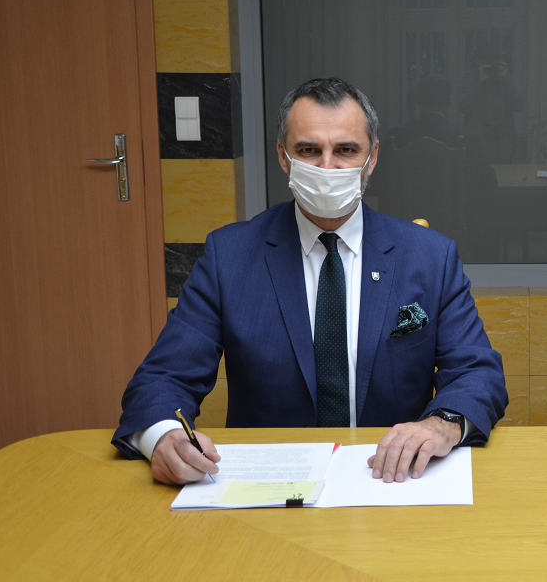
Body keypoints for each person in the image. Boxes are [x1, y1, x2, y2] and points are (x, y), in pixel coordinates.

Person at [113, 77, 507, 484]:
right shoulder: (229, 256)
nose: (327, 167)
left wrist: (442, 424)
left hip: (389, 478)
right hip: (270, 486)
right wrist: (163, 436)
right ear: (284, 158)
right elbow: (163, 377)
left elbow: (477, 373)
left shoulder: (429, 256)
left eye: (346, 150)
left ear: (372, 158)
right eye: (309, 150)